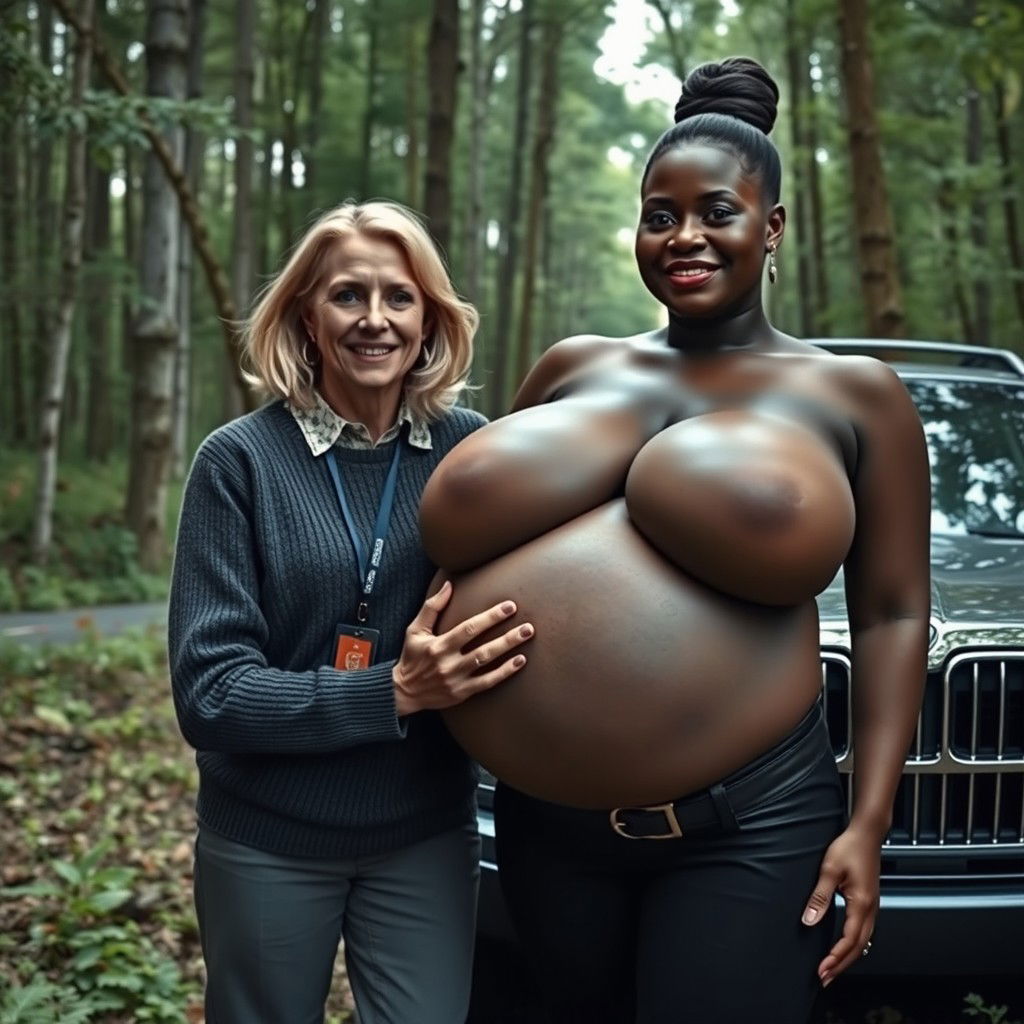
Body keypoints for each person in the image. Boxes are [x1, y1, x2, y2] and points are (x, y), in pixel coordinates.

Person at [417, 58, 930, 1023]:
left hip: (751, 827)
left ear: (771, 227)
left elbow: (895, 612)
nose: (684, 237)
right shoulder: (573, 367)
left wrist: (871, 819)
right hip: (543, 825)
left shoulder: (856, 395)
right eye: (660, 214)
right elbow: (470, 553)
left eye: (716, 212)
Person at [167, 200, 535, 1024]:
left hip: (425, 835)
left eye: (399, 298)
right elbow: (210, 694)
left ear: (430, 315)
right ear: (306, 313)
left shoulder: (474, 451)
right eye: (347, 296)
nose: (376, 321)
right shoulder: (238, 463)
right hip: (267, 839)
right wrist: (393, 693)